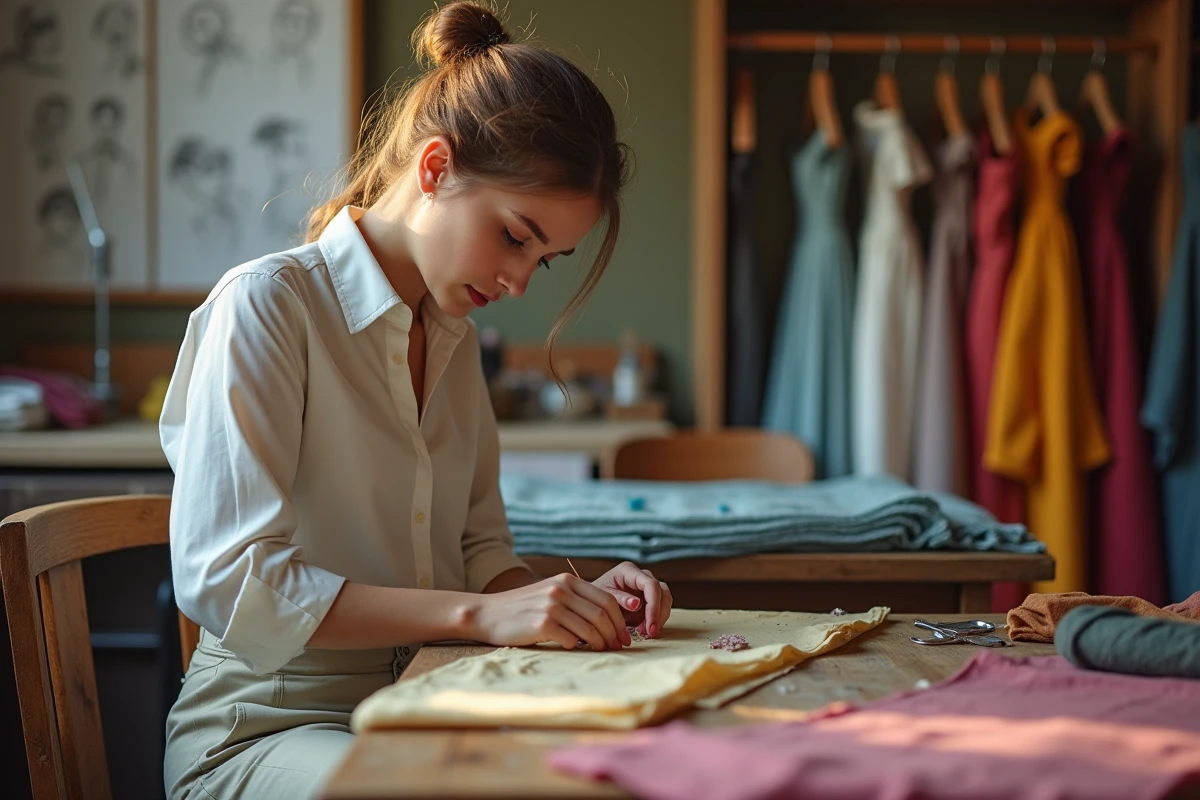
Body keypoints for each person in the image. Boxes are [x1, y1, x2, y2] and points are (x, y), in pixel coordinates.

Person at [159, 3, 667, 798]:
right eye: (515, 235)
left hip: (431, 707)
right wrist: (474, 617)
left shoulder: (455, 341)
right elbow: (230, 581)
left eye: (545, 260)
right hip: (266, 731)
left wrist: (572, 602)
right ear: (435, 169)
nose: (519, 282)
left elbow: (481, 554)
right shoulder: (266, 307)